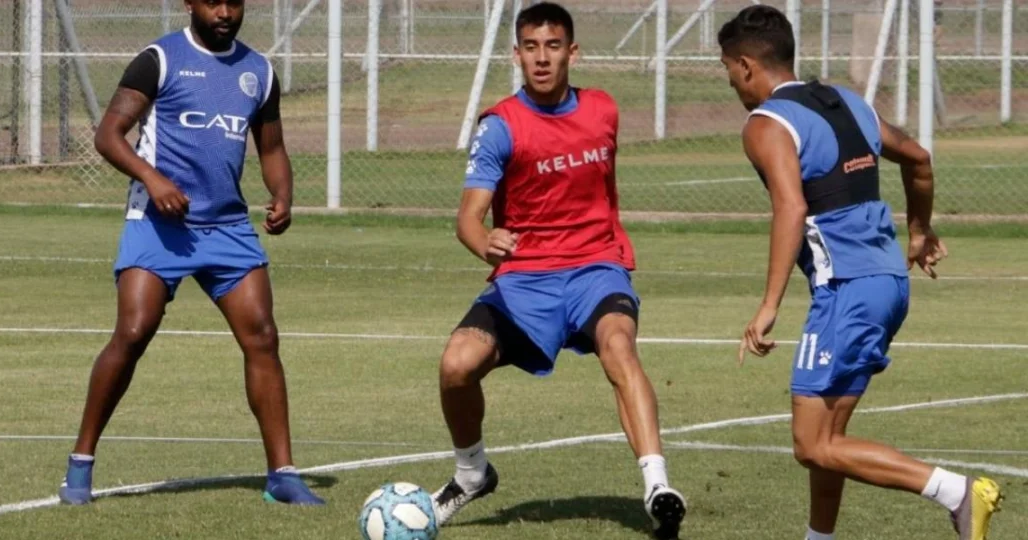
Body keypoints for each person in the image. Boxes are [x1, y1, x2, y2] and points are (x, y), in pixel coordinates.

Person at [721, 6, 1002, 540]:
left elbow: (791, 207)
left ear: (746, 65)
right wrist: (918, 230)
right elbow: (918, 159)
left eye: (728, 69)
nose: (731, 81)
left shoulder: (766, 124)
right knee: (830, 436)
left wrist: (768, 305)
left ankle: (957, 492)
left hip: (846, 290)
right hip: (887, 283)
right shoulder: (847, 102)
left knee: (811, 444)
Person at [428, 3, 687, 538]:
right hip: (525, 279)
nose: (541, 58)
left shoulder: (603, 110)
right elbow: (468, 220)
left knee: (618, 345)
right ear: (516, 55)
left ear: (573, 52)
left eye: (552, 46)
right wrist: (485, 242)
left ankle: (658, 487)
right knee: (456, 364)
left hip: (596, 268)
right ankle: (471, 473)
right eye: (531, 47)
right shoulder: (500, 126)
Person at [58, 0, 323, 506]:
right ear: (189, 3)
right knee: (133, 331)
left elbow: (271, 148)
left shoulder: (259, 71)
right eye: (212, 1)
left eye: (234, 2)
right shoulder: (158, 60)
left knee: (263, 337)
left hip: (227, 227)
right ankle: (80, 465)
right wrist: (153, 179)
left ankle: (283, 476)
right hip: (159, 225)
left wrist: (283, 195)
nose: (224, 12)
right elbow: (108, 136)